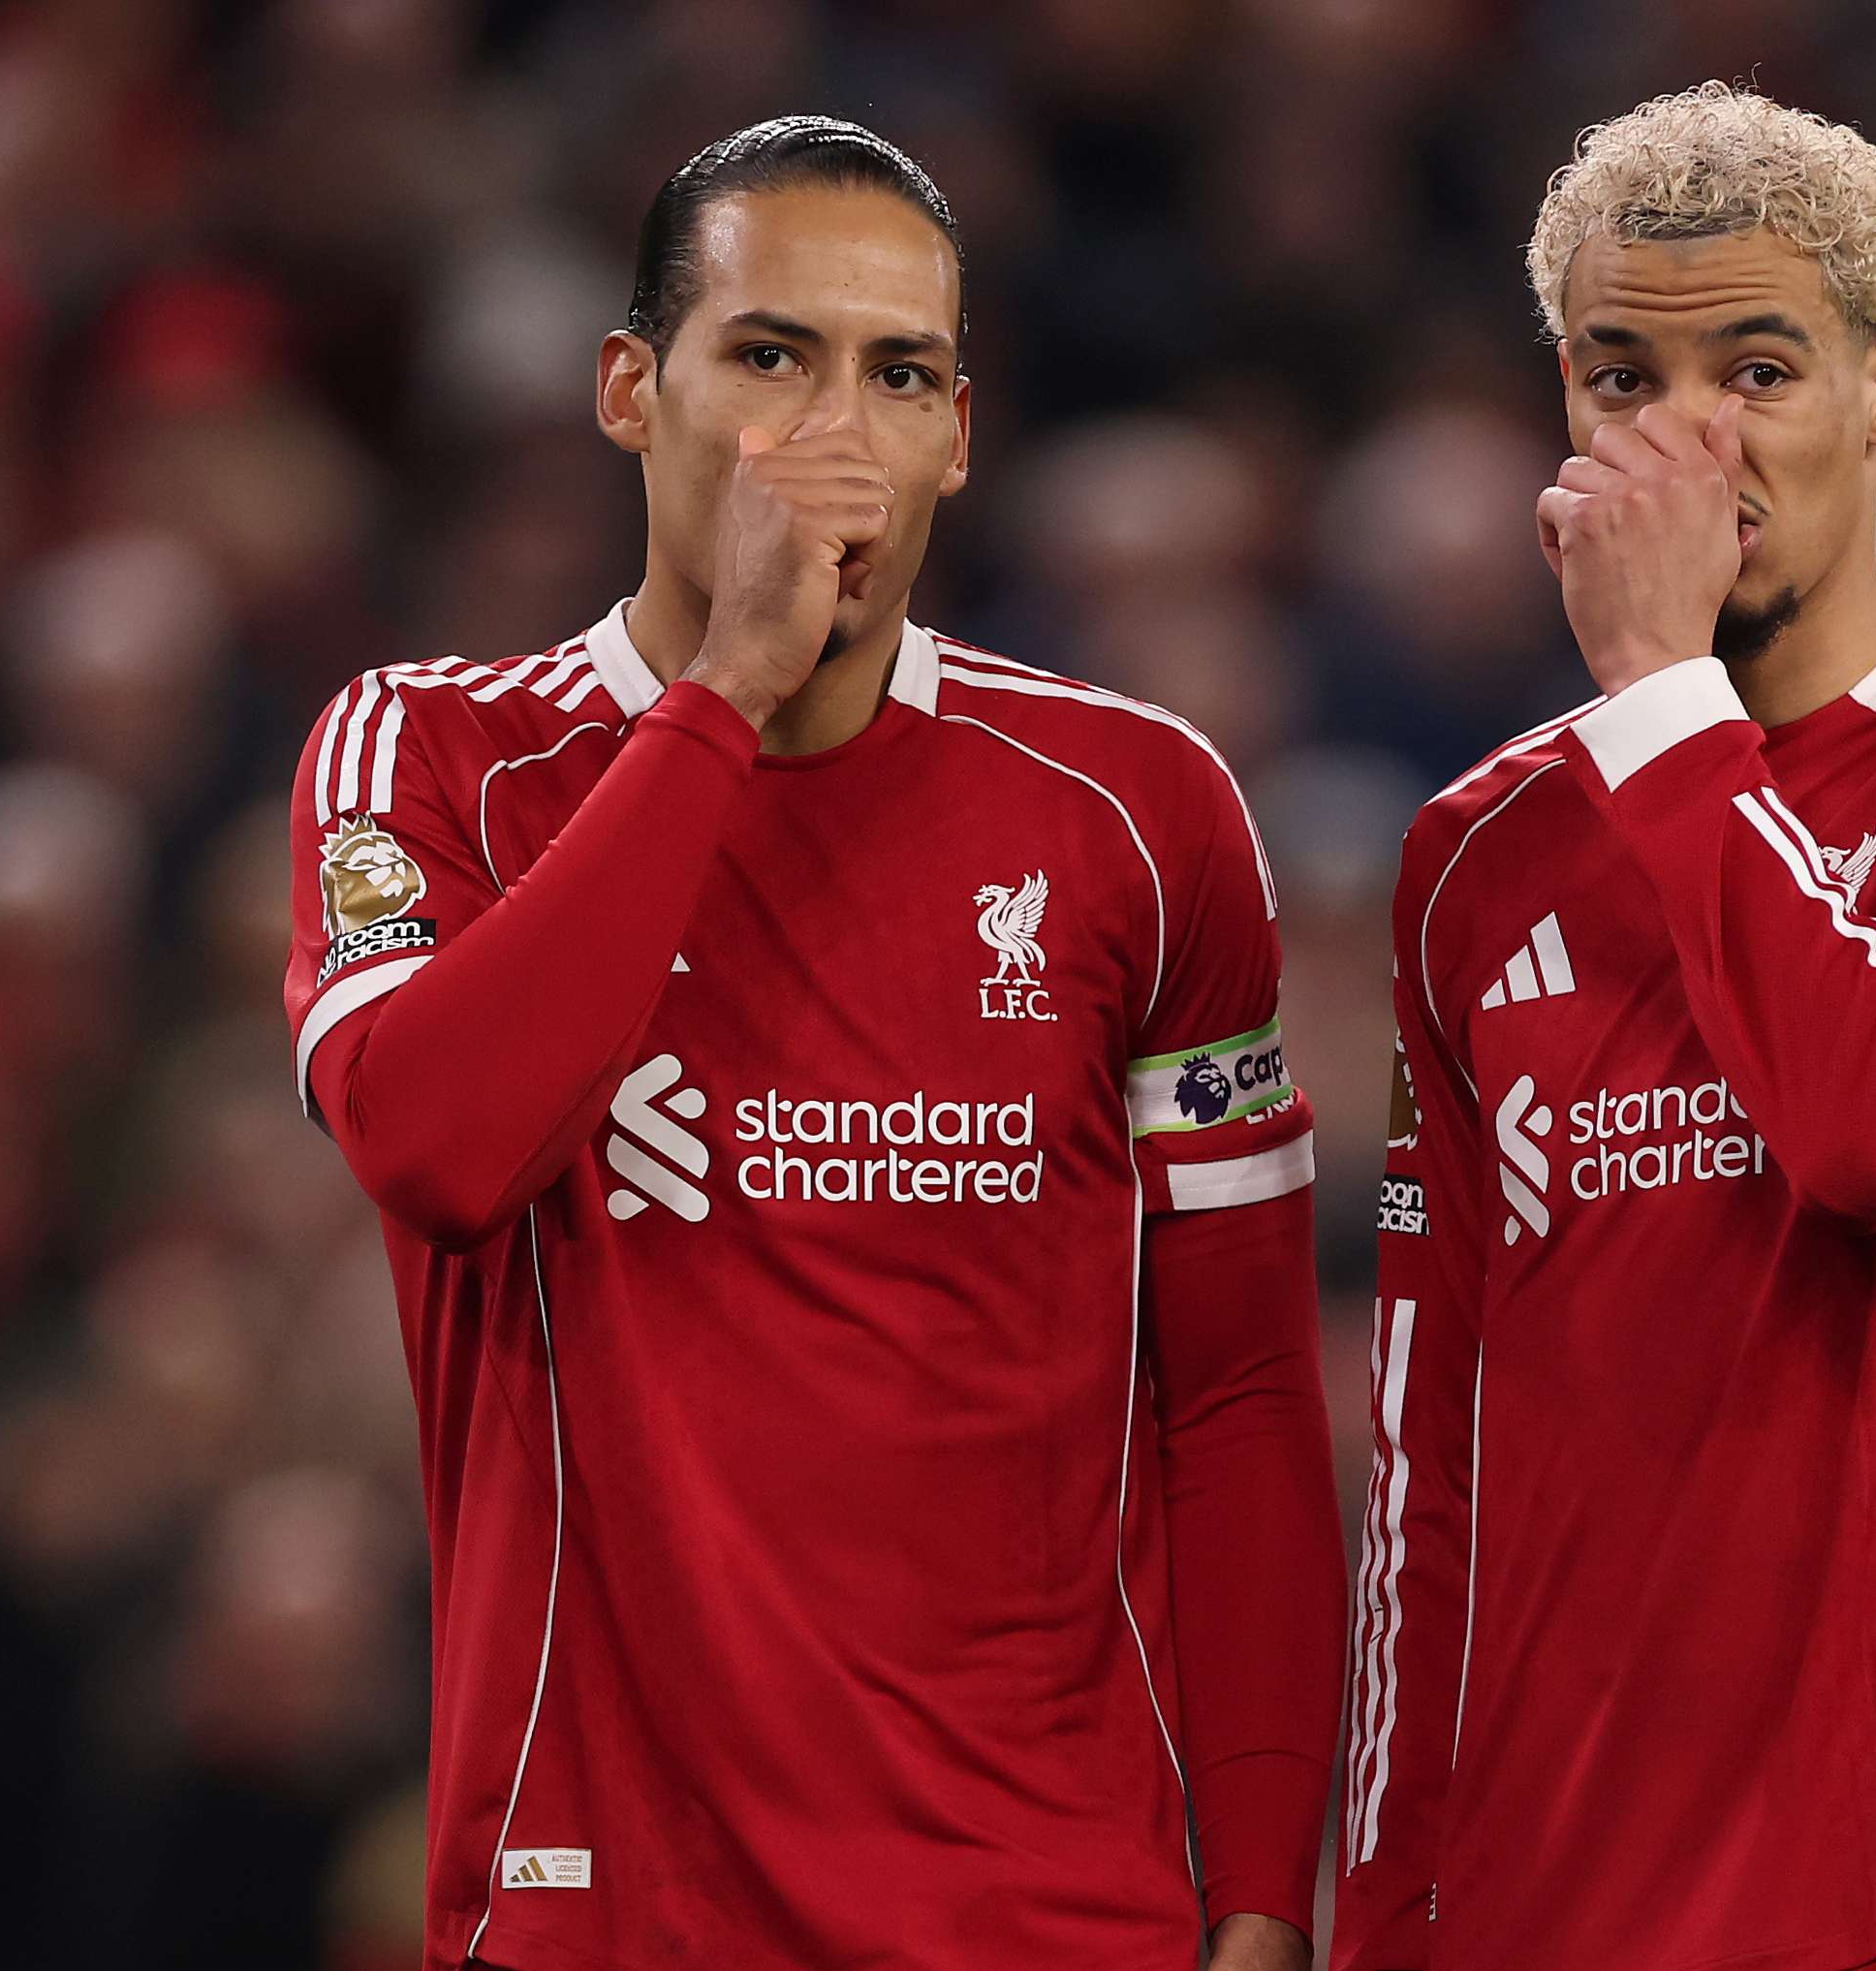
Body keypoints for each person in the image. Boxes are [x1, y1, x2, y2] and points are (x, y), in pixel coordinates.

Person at [280, 117, 1340, 1971]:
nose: (835, 435)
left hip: (1050, 1920)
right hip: (608, 1915)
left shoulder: (1139, 812)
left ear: (959, 434)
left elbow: (1239, 1390)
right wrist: (721, 700)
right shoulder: (432, 756)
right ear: (632, 390)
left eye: (899, 374)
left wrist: (1259, 1890)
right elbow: (434, 1147)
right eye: (770, 356)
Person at [1334, 83, 1876, 1971]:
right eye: (1622, 379)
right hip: (1551, 1906)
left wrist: (1660, 698)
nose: (1686, 445)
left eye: (1754, 370)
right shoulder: (1475, 854)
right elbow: (1431, 1443)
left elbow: (1874, 1124)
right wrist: (1387, 1918)